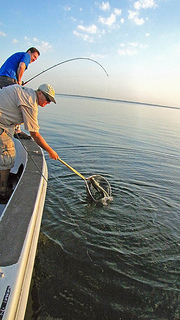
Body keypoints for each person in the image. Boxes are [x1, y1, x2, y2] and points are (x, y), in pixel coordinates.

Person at [0, 83, 59, 199]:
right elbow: (35, 134)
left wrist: (16, 129)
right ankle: (2, 191)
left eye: (50, 101)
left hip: (6, 123)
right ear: (40, 93)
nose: (48, 103)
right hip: (2, 125)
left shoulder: (26, 93)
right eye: (47, 99)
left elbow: (11, 108)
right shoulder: (31, 102)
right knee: (8, 156)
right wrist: (50, 151)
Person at [0, 47, 40, 138]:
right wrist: (19, 82)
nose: (33, 59)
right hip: (8, 79)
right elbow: (22, 66)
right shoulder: (26, 55)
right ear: (29, 52)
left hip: (2, 78)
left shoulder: (17, 55)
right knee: (19, 101)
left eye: (35, 59)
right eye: (34, 56)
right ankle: (17, 131)